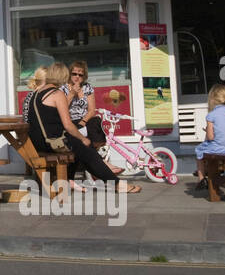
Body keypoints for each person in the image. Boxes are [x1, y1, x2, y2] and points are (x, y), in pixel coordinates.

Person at [26, 62, 140, 194]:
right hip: (52, 142)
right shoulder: (57, 94)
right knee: (86, 147)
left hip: (37, 142)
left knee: (80, 148)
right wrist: (82, 138)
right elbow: (68, 125)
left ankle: (69, 179)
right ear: (63, 77)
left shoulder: (36, 93)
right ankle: (116, 183)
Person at [193, 84, 225, 189]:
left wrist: (208, 131)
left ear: (212, 99)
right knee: (208, 149)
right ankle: (207, 170)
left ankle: (201, 178)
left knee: (199, 150)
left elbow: (210, 137)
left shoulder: (211, 115)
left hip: (219, 148)